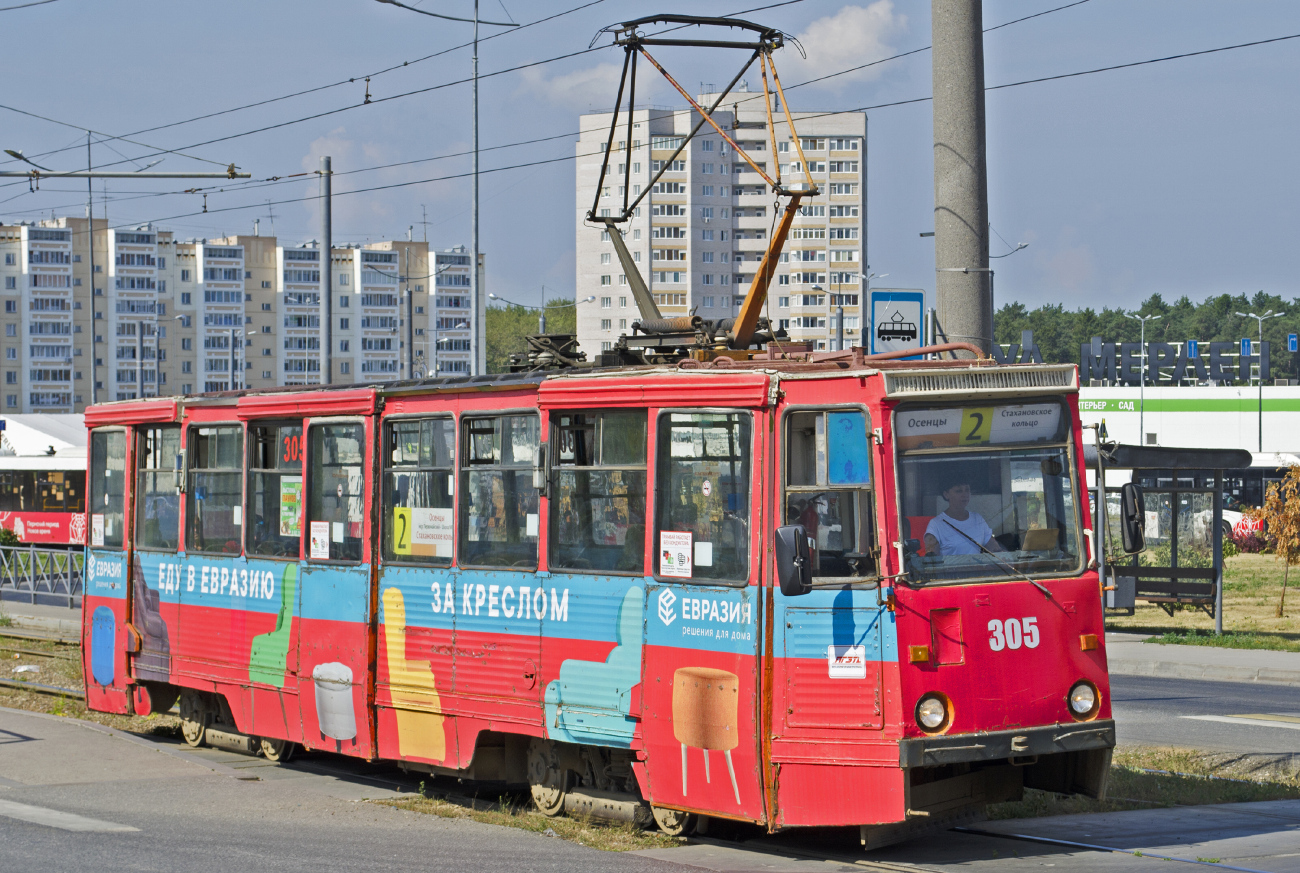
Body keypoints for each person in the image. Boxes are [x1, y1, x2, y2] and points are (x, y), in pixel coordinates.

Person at [925, 477, 1001, 556]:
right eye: (959, 491)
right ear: (946, 494)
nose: (965, 495)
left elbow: (995, 549)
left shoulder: (977, 519)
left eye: (967, 490)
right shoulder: (936, 524)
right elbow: (932, 560)